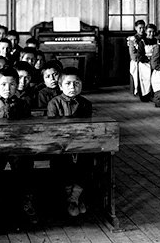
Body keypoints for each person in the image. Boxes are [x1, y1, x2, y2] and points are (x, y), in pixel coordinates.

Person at [0, 68, 36, 225]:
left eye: (12, 84)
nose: (7, 88)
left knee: (24, 167)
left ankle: (25, 203)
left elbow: (28, 127)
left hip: (18, 146)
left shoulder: (23, 104)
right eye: (3, 84)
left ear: (17, 86)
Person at [47, 68, 94, 217]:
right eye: (67, 84)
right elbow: (53, 128)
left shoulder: (86, 103)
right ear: (60, 86)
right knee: (62, 165)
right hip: (60, 146)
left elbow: (87, 127)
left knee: (86, 162)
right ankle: (70, 200)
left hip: (80, 144)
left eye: (76, 83)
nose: (72, 87)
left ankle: (75, 198)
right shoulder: (54, 103)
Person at [127, 20, 150, 97]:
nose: (142, 30)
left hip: (146, 59)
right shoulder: (133, 39)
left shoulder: (147, 37)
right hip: (137, 60)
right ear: (136, 28)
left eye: (143, 28)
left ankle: (149, 90)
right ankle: (141, 90)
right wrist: (141, 59)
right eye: (140, 28)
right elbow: (133, 55)